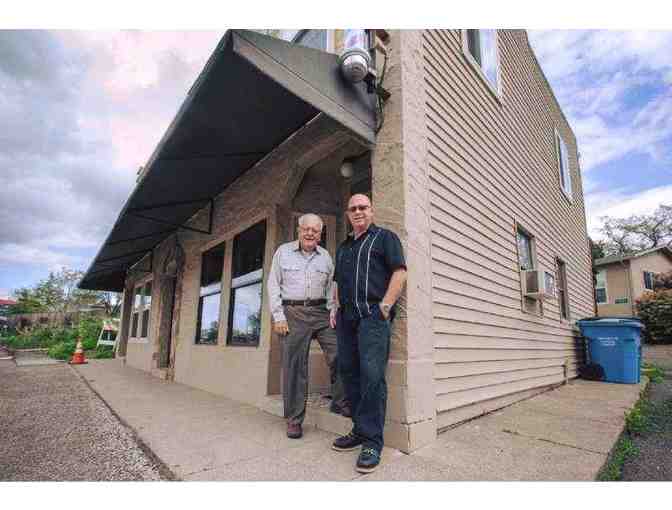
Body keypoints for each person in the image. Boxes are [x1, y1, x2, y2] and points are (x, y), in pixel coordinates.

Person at [330, 194, 407, 473]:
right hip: (346, 319)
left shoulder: (385, 238)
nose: (358, 211)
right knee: (349, 374)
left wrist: (385, 306)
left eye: (363, 207)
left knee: (372, 377)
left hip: (372, 318)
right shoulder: (344, 247)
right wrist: (335, 307)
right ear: (348, 214)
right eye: (353, 208)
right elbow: (337, 282)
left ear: (371, 211)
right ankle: (360, 430)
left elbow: (400, 272)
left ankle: (373, 441)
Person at [267, 213, 349, 439]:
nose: (310, 233)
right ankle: (294, 420)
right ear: (299, 230)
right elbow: (273, 284)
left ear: (320, 235)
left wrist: (333, 310)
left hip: (321, 311)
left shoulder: (325, 257)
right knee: (295, 365)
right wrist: (278, 316)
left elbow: (331, 287)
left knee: (339, 353)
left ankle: (340, 402)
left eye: (315, 230)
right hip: (292, 312)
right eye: (306, 229)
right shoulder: (283, 252)